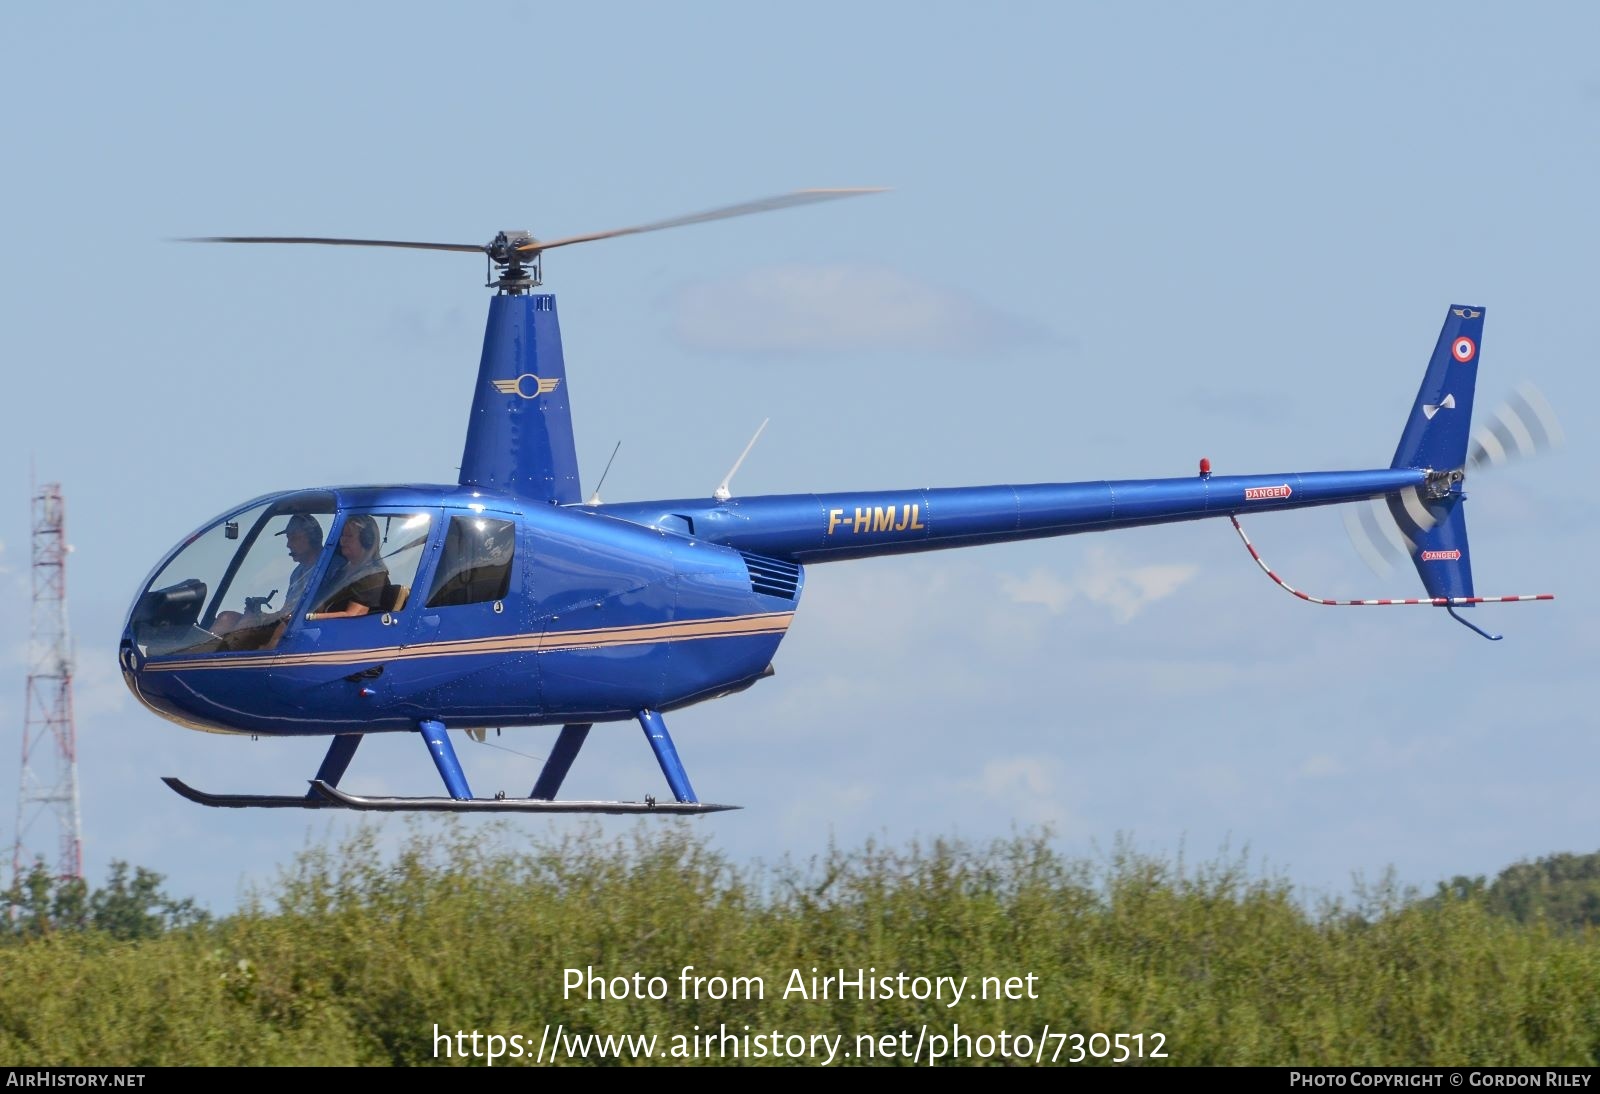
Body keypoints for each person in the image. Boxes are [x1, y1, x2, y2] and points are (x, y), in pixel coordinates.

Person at [306, 514, 388, 621]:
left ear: (367, 540)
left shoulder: (373, 575)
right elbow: (321, 603)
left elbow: (353, 615)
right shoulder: (342, 572)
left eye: (349, 536)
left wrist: (310, 617)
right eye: (342, 535)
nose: (342, 540)